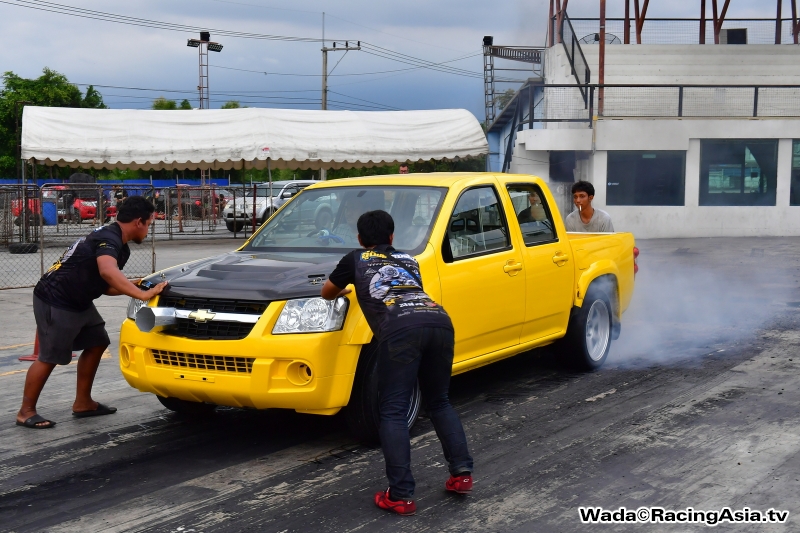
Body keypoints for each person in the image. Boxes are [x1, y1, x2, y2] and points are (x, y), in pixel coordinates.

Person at [321, 210, 473, 516]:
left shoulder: (356, 258)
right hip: (439, 322)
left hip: (401, 331)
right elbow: (406, 291)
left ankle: (401, 495)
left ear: (360, 239)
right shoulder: (410, 260)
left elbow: (327, 292)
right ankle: (462, 474)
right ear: (392, 237)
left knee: (392, 411)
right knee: (440, 402)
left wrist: (349, 287)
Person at [16, 196, 168, 429]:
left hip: (79, 299)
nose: (149, 230)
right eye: (150, 224)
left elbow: (106, 284)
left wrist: (136, 284)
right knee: (50, 356)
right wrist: (141, 295)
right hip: (56, 298)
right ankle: (25, 412)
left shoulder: (119, 244)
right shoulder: (109, 239)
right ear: (139, 222)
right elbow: (108, 272)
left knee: (97, 341)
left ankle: (83, 403)